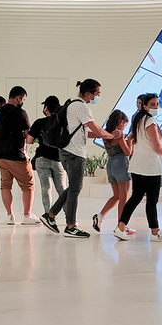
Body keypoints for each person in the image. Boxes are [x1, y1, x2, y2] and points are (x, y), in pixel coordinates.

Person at [39, 79, 121, 238]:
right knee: (75, 189)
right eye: (97, 93)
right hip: (74, 152)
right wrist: (113, 135)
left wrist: (104, 135)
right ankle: (69, 226)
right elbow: (96, 129)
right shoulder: (81, 106)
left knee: (74, 187)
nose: (98, 97)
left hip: (67, 151)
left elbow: (84, 132)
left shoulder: (71, 103)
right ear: (89, 93)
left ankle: (51, 215)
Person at [114, 93, 162, 241]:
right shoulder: (150, 121)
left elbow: (132, 138)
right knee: (152, 201)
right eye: (153, 104)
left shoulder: (138, 119)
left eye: (157, 104)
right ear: (145, 106)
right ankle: (155, 232)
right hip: (150, 166)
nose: (156, 107)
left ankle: (120, 227)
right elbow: (157, 146)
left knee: (135, 197)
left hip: (137, 165)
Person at [0, 86, 41, 225]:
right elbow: (28, 135)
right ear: (18, 97)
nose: (23, 102)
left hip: (0, 155)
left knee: (5, 185)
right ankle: (27, 215)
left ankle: (10, 216)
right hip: (16, 154)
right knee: (28, 185)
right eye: (23, 99)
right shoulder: (20, 113)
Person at [93, 110, 135, 234]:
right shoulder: (119, 136)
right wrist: (129, 142)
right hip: (121, 164)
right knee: (124, 198)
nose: (124, 127)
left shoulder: (106, 135)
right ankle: (121, 225)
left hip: (110, 164)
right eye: (124, 124)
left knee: (116, 195)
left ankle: (100, 216)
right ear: (120, 122)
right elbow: (128, 152)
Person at [26, 95, 67, 214]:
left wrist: (38, 139)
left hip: (42, 158)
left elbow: (29, 140)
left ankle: (48, 216)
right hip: (58, 159)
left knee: (46, 189)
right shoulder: (62, 123)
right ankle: (69, 216)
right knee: (62, 189)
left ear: (46, 108)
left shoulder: (39, 122)